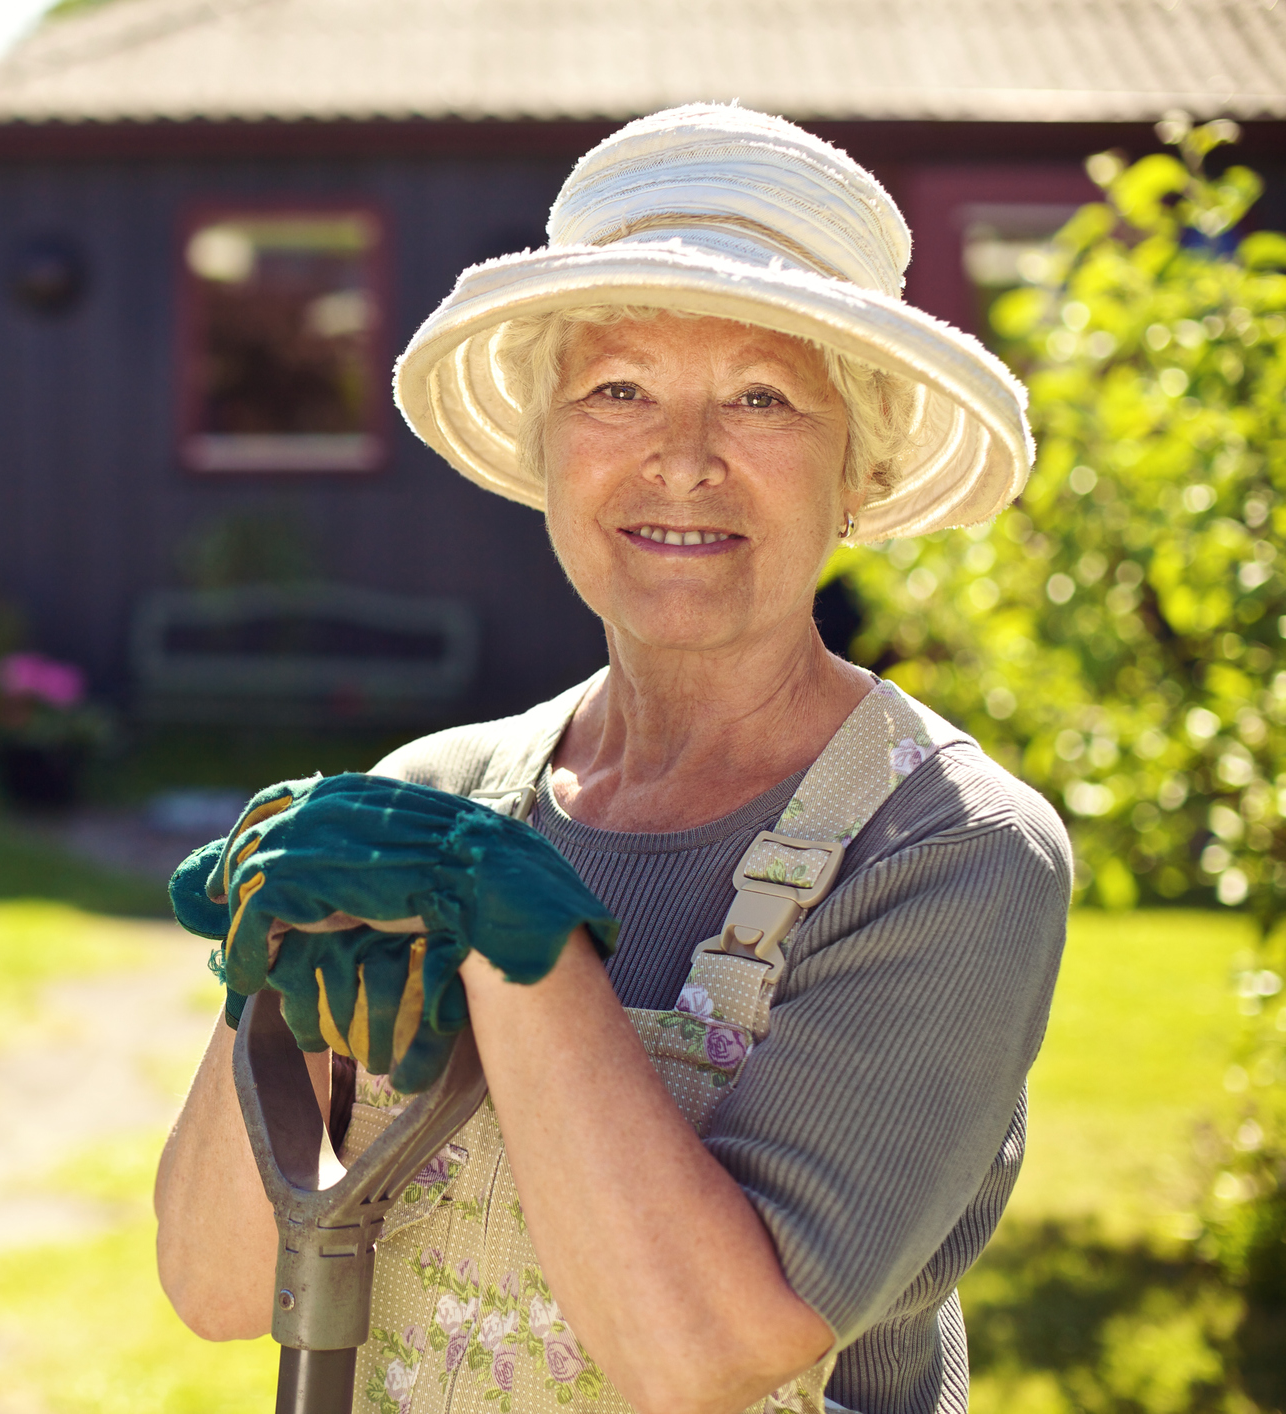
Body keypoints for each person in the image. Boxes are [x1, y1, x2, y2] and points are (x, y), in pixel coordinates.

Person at [153, 105, 1070, 1414]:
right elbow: (214, 1282)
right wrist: (278, 1001)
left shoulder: (947, 849)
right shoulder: (433, 794)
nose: (682, 459)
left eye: (760, 397)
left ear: (857, 469)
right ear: (545, 447)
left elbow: (704, 1355)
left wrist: (517, 950)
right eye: (617, 390)